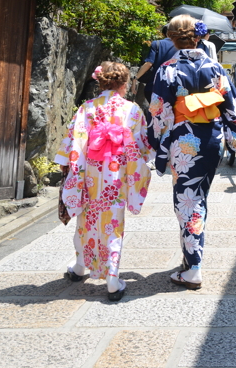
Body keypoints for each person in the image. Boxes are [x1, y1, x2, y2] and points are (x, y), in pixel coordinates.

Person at [148, 14, 236, 290]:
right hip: (212, 138)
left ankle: (193, 269)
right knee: (199, 197)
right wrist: (232, 133)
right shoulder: (215, 67)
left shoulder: (167, 69)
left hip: (184, 141)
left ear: (171, 38)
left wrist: (156, 143)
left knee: (188, 202)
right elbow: (234, 108)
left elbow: (159, 113)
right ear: (197, 36)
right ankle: (190, 258)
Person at [55, 62, 151, 301]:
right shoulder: (132, 110)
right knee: (113, 224)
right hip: (117, 177)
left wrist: (67, 165)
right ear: (124, 84)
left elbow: (73, 142)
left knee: (85, 220)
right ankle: (112, 279)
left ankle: (80, 266)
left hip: (89, 175)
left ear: (100, 82)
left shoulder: (87, 108)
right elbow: (143, 147)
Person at [136, 26, 176, 102]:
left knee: (155, 109)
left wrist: (135, 78)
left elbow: (149, 63)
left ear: (164, 34)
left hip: (154, 87)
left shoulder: (157, 44)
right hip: (173, 87)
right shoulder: (182, 46)